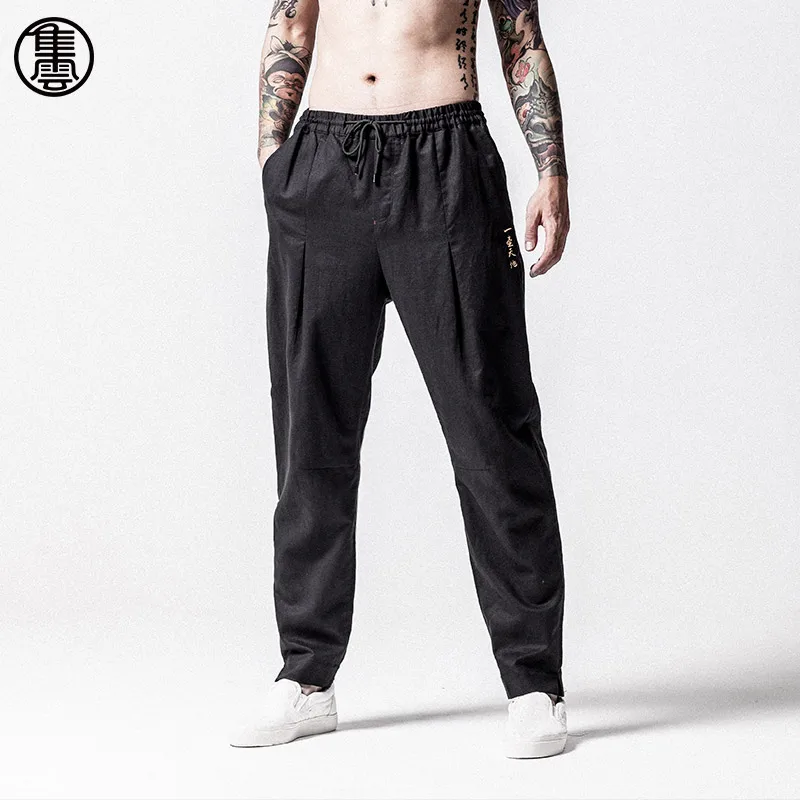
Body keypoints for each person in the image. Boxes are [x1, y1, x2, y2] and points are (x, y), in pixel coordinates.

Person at [231, 0, 571, 759]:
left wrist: (551, 169)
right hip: (323, 162)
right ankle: (307, 676)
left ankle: (533, 683)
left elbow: (520, 37)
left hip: (446, 159)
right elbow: (290, 24)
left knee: (491, 429)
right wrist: (273, 160)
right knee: (311, 434)